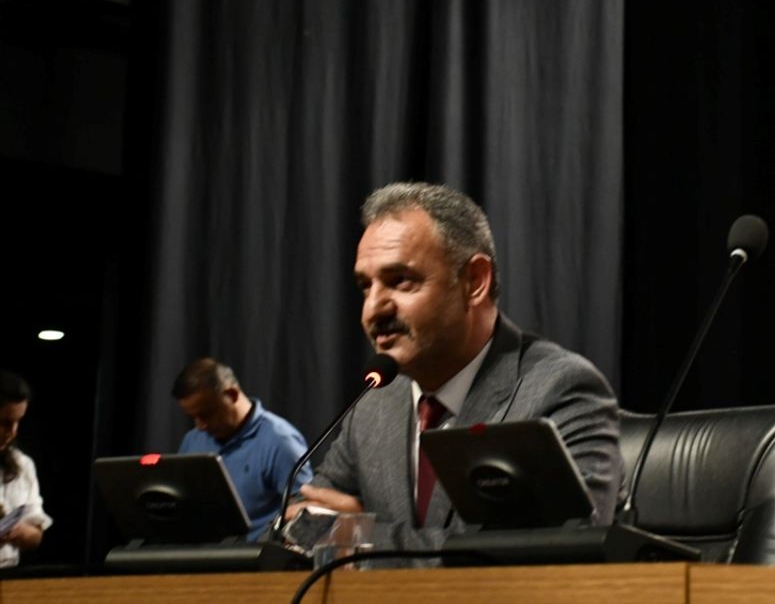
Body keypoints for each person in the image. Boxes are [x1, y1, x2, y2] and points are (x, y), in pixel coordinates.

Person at [288, 182, 622, 560]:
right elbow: (300, 522)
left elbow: (556, 549)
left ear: (474, 281)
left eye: (400, 281)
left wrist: (360, 535)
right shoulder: (375, 403)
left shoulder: (561, 389)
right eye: (366, 286)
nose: (373, 309)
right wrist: (322, 529)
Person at [173, 358, 312, 540]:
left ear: (232, 394)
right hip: (199, 551)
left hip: (255, 554)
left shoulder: (281, 441)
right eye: (193, 417)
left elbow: (305, 512)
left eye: (206, 415)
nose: (200, 425)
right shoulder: (192, 440)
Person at [0, 371, 52, 568]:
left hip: (8, 573)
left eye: (18, 421)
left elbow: (36, 535)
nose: (12, 432)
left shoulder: (22, 465)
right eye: (5, 423)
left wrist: (18, 532)